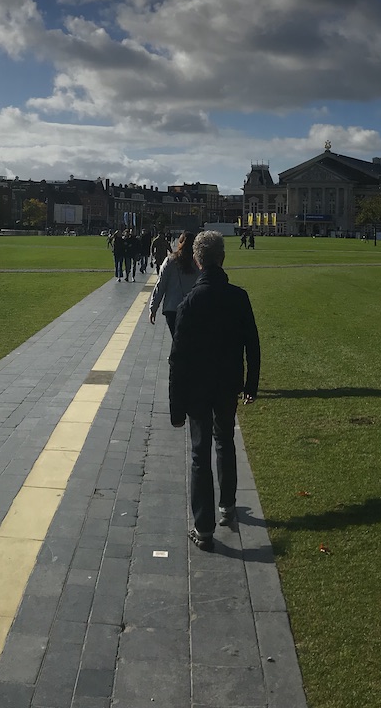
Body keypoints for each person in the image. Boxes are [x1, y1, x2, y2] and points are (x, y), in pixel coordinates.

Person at [168, 230, 261, 550]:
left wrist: (175, 408)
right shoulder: (239, 297)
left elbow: (177, 358)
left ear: (197, 261)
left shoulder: (189, 303)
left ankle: (203, 526)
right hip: (227, 384)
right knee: (225, 441)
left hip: (196, 388)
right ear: (222, 258)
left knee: (199, 452)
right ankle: (227, 506)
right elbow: (253, 344)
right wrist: (251, 385)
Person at [149, 233, 197, 337]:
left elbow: (160, 285)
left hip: (172, 307)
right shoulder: (198, 262)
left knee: (177, 341)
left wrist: (153, 308)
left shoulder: (170, 261)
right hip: (193, 307)